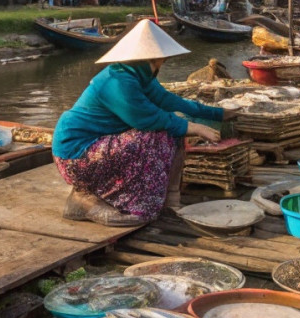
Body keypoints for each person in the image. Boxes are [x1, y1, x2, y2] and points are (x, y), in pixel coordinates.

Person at [52, 19, 237, 226]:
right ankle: (99, 202)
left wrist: (217, 114)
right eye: (162, 59)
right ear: (153, 58)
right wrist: (194, 127)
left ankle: (170, 201)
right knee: (153, 136)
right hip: (75, 155)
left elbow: (169, 101)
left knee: (172, 130)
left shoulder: (138, 75)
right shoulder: (117, 81)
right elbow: (148, 119)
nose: (162, 63)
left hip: (97, 145)